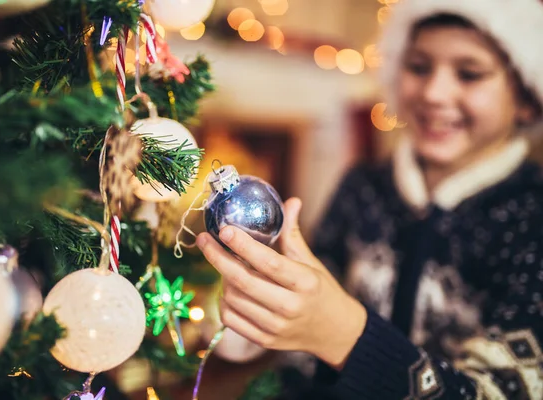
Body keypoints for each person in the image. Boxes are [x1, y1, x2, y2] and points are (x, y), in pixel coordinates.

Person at [196, 0, 543, 398]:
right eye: (418, 67)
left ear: (526, 97)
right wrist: (259, 310)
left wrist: (345, 336)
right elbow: (308, 303)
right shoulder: (363, 186)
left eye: (469, 74)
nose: (434, 92)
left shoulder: (533, 219)